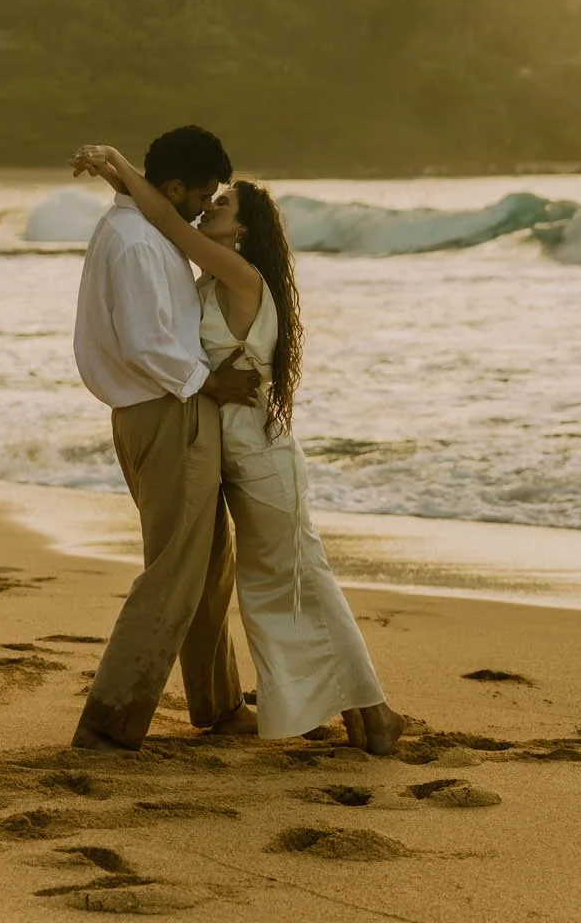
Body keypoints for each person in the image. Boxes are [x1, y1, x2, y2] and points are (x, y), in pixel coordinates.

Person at [74, 141, 403, 755]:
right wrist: (121, 173)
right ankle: (344, 711)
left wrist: (119, 167)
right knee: (264, 584)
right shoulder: (204, 275)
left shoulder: (238, 274)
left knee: (297, 577)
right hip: (224, 448)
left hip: (259, 454)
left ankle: (373, 708)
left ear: (244, 229)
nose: (208, 210)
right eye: (209, 195)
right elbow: (166, 237)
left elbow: (169, 218)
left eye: (220, 204)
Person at [70, 123, 260, 752]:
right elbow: (148, 345)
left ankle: (220, 705)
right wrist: (213, 383)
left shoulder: (143, 231)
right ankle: (109, 719)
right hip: (168, 410)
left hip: (168, 409)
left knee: (207, 566)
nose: (206, 207)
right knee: (175, 573)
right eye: (202, 195)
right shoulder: (137, 244)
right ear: (172, 186)